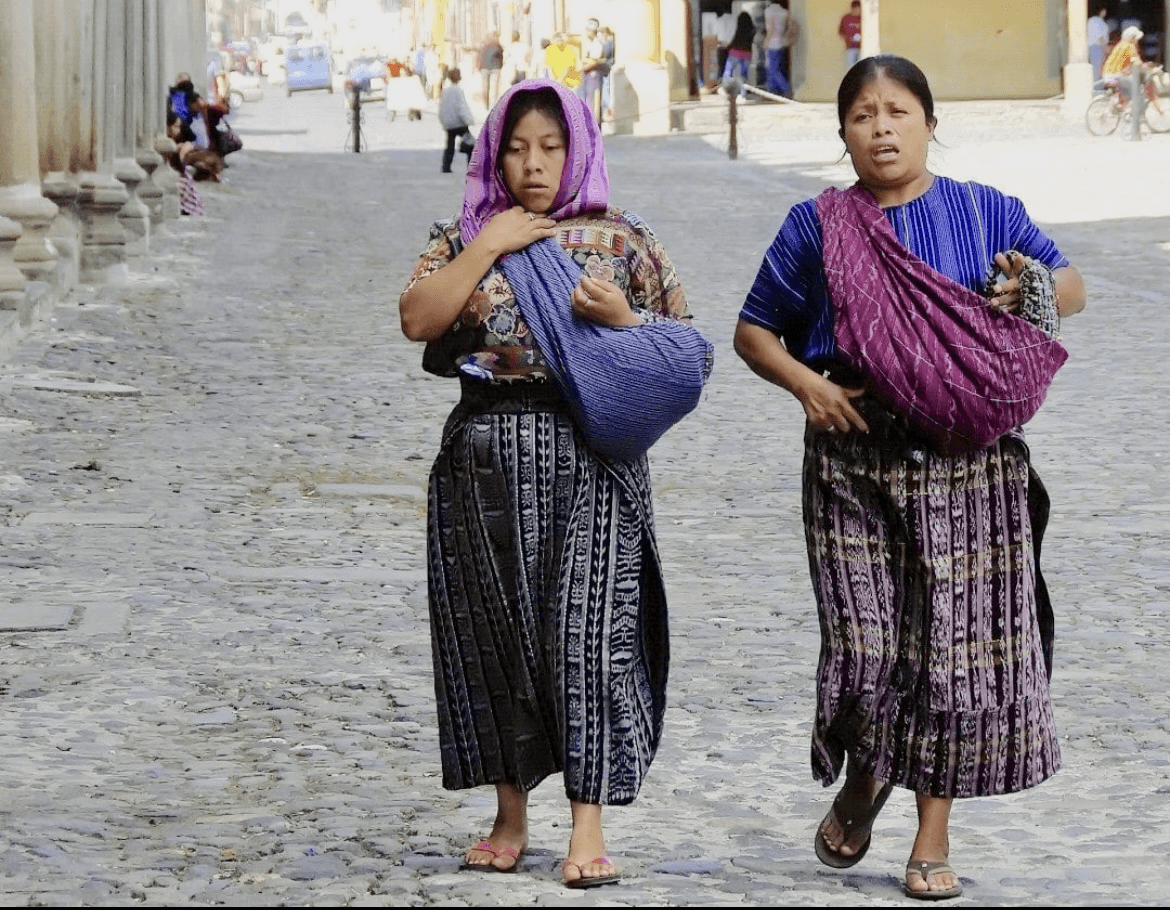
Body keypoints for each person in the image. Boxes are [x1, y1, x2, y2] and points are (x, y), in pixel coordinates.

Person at [733, 55, 1085, 902]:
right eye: (862, 114)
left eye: (898, 111)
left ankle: (932, 838)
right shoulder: (816, 226)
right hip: (854, 459)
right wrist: (807, 386)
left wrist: (1028, 287)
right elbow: (754, 332)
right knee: (866, 649)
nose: (881, 128)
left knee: (955, 660)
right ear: (844, 132)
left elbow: (1069, 286)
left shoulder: (985, 210)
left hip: (970, 463)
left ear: (930, 121)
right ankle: (864, 780)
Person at [399, 78, 703, 890]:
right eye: (518, 148)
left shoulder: (626, 243)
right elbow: (419, 320)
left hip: (594, 461)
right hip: (483, 463)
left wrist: (625, 324)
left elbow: (686, 349)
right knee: (491, 637)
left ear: (579, 149)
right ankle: (509, 814)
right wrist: (488, 244)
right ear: (495, 154)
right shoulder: (464, 234)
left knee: (589, 634)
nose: (535, 164)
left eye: (552, 146)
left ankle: (587, 825)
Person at [438, 67, 475, 173]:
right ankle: (471, 167)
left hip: (449, 123)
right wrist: (468, 120)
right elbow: (461, 108)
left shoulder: (445, 91)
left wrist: (443, 121)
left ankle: (446, 166)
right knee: (471, 144)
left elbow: (441, 107)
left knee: (449, 144)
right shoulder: (458, 91)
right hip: (459, 123)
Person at [1102, 25, 1149, 104]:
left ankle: (1122, 107)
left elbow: (1127, 63)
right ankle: (1123, 108)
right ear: (1132, 38)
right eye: (1136, 38)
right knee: (1134, 89)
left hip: (1108, 75)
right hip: (1114, 76)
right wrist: (1146, 67)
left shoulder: (1120, 44)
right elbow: (1137, 61)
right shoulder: (1129, 46)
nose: (1137, 41)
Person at [721, 11, 756, 98]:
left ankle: (726, 89)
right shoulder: (752, 30)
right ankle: (743, 93)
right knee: (743, 75)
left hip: (735, 53)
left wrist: (726, 48)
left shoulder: (738, 29)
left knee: (728, 71)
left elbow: (733, 41)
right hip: (747, 54)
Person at [763, 1, 793, 98]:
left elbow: (771, 27)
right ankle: (774, 92)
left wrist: (766, 41)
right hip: (781, 43)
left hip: (772, 44)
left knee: (773, 70)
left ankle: (786, 89)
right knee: (777, 68)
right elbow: (791, 26)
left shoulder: (769, 11)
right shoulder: (785, 12)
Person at [580, 18, 608, 121]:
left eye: (589, 30)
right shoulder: (587, 42)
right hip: (586, 75)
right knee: (586, 102)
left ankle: (594, 127)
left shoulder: (597, 44)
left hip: (593, 75)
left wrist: (582, 68)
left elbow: (595, 62)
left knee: (593, 103)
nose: (587, 32)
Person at [478, 31, 505, 109]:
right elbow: (501, 55)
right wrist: (501, 65)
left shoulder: (483, 45)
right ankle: (493, 105)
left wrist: (479, 66)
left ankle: (486, 105)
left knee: (485, 87)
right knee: (494, 87)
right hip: (495, 67)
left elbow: (480, 56)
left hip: (484, 67)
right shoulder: (497, 45)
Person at [1087, 6, 1111, 83]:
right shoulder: (1097, 21)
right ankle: (1096, 88)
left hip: (1092, 46)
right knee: (1098, 68)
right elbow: (1100, 36)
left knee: (1096, 67)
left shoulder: (1091, 21)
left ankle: (1096, 86)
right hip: (1097, 46)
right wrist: (1105, 47)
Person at [838, 1, 862, 71]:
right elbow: (841, 32)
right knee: (850, 69)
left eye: (859, 9)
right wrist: (845, 41)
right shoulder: (846, 18)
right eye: (856, 9)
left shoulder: (863, 18)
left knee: (861, 69)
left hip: (861, 48)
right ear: (852, 8)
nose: (857, 11)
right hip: (850, 47)